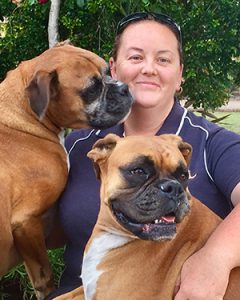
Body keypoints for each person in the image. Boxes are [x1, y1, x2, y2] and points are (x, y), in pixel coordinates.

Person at [45, 12, 240, 299]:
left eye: (163, 59)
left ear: (180, 75)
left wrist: (214, 260)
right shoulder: (81, 143)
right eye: (136, 57)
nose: (149, 68)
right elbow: (42, 226)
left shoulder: (213, 143)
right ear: (113, 69)